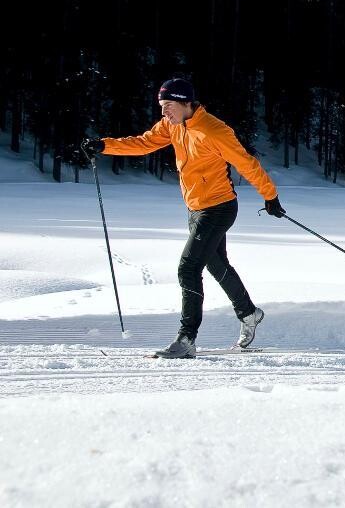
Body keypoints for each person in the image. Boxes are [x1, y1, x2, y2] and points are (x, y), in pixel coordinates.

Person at [81, 78, 286, 358]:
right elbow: (144, 143)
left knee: (188, 268)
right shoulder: (172, 126)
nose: (164, 112)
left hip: (219, 207)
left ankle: (186, 339)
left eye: (169, 106)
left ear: (187, 103)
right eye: (162, 107)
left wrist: (269, 195)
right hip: (196, 208)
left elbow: (244, 162)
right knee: (216, 265)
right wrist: (104, 146)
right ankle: (249, 313)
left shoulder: (214, 130)